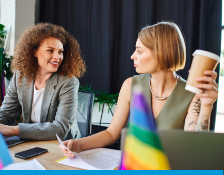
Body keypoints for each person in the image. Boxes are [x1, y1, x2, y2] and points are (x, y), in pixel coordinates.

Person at [60, 21, 218, 158]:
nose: (132, 56)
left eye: (139, 51)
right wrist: (77, 144)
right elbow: (111, 133)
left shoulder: (191, 93)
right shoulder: (130, 84)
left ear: (161, 53)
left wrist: (206, 105)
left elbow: (194, 149)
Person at [0, 23, 86, 141]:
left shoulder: (68, 83)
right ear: (34, 52)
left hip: (63, 145)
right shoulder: (20, 76)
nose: (57, 57)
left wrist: (14, 130)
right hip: (30, 141)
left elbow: (60, 129)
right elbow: (6, 113)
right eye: (50, 51)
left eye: (60, 51)